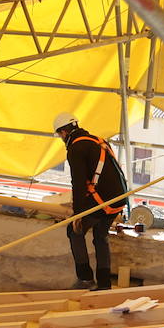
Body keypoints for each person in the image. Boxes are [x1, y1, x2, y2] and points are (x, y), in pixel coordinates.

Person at [54, 112, 127, 291]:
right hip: (118, 199)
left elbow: (78, 183)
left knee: (74, 231)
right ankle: (104, 283)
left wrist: (78, 214)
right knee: (100, 236)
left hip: (103, 200)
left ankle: (85, 279)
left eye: (60, 135)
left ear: (63, 133)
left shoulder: (76, 149)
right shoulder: (98, 141)